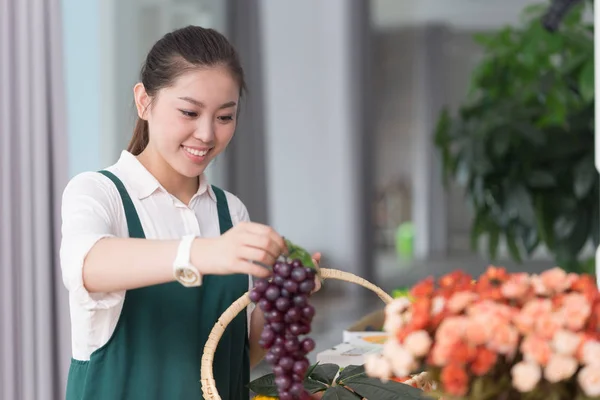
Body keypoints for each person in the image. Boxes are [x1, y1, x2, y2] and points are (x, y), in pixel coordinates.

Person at [60, 25, 321, 400]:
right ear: (144, 101)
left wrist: (289, 294)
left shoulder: (232, 212)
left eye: (224, 117)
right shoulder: (99, 193)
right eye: (189, 111)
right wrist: (205, 252)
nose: (207, 134)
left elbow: (239, 352)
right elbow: (87, 266)